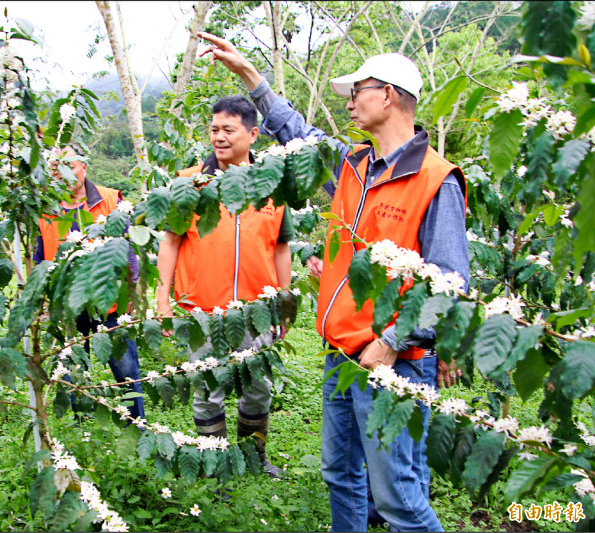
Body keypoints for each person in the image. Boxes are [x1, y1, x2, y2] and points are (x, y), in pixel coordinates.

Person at [197, 32, 469, 531]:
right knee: (340, 476)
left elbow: (450, 283)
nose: (348, 100)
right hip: (339, 354)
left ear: (387, 95)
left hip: (394, 364)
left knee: (399, 499)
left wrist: (390, 344)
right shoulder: (354, 165)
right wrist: (250, 77)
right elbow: (295, 132)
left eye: (357, 89)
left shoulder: (436, 179)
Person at [155, 95, 294, 477]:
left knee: (258, 389)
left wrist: (284, 300)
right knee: (206, 392)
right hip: (202, 311)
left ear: (252, 134)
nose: (218, 137)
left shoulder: (271, 183)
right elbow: (170, 240)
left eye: (228, 130)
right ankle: (216, 467)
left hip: (257, 311)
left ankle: (255, 459)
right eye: (213, 129)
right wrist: (162, 296)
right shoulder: (189, 182)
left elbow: (281, 247)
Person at [35, 144, 145, 422]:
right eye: (56, 169)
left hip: (111, 304)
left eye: (70, 165)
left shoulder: (110, 200)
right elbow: (39, 258)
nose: (64, 174)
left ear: (84, 167)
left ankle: (136, 423)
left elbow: (130, 247)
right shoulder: (44, 209)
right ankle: (83, 430)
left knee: (126, 371)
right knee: (71, 372)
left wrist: (133, 286)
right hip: (68, 308)